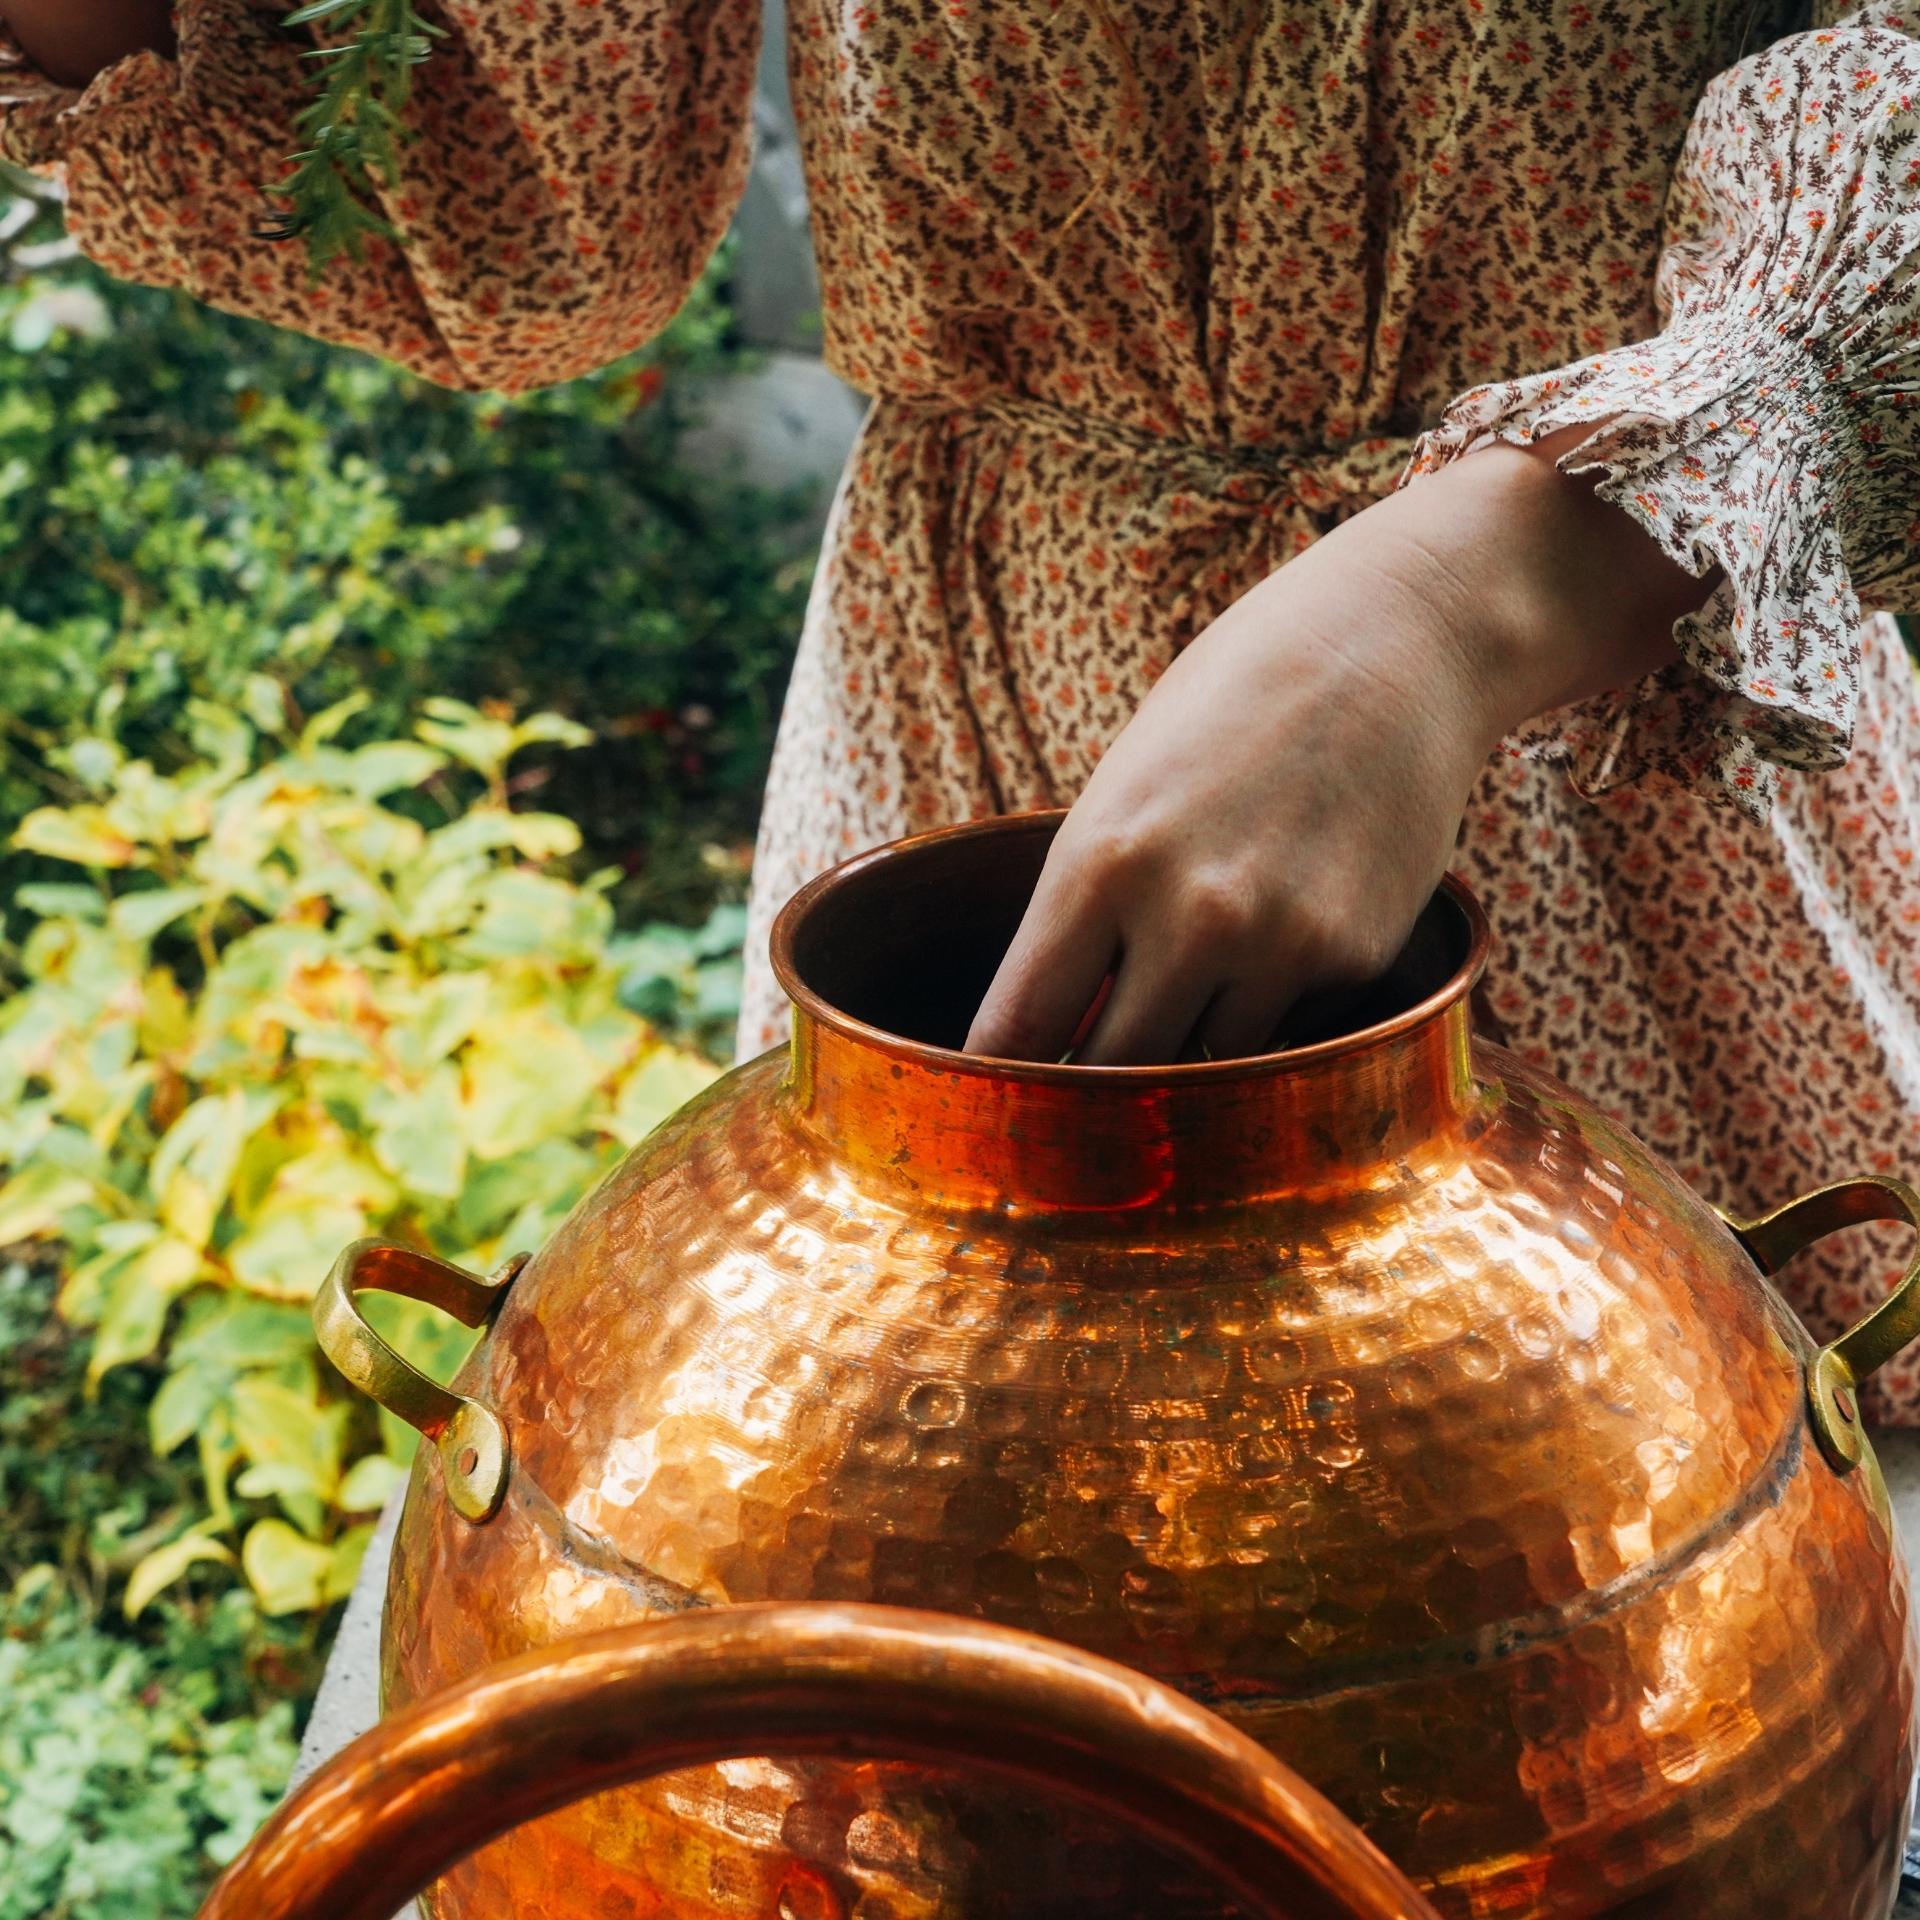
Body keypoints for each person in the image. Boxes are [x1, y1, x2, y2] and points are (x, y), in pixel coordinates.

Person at [6, 1, 1919, 1412]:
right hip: (972, 712)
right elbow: (524, 232)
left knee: (1669, 1608)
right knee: (968, 1575)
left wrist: (1482, 590)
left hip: (1647, 732)